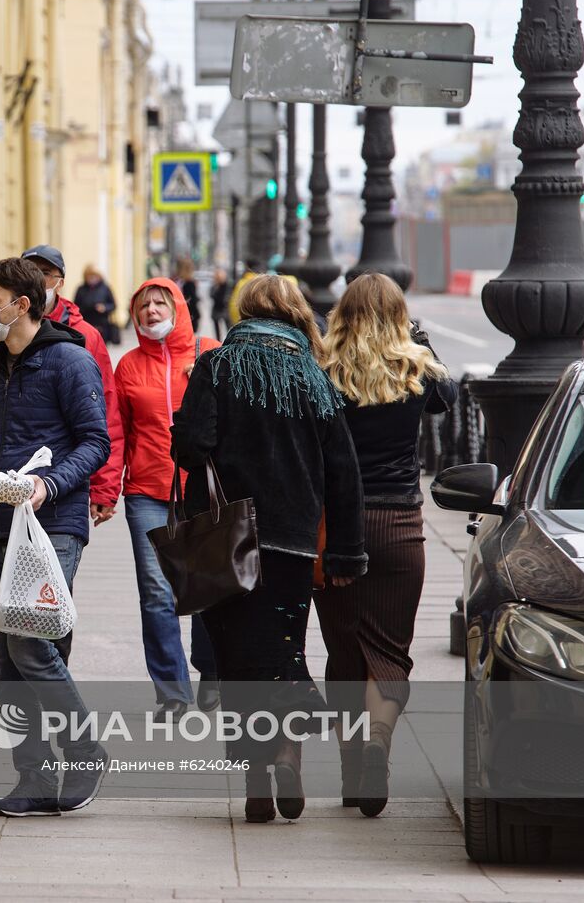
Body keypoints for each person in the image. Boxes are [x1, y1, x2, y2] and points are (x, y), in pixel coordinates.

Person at [171, 274, 365, 824]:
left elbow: (192, 447)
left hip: (227, 537)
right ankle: (289, 759)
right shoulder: (312, 375)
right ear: (296, 312)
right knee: (284, 650)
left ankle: (256, 780)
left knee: (236, 659)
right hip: (294, 541)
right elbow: (343, 472)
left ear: (245, 309)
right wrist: (346, 552)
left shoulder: (217, 365)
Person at [0, 257, 112, 818]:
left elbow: (94, 441)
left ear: (21, 305)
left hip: (51, 526)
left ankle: (82, 748)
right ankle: (31, 777)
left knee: (31, 643)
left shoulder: (69, 361)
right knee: (6, 659)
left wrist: (47, 486)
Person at [316, 273, 456, 818]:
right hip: (400, 526)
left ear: (342, 312)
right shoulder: (415, 366)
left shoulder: (325, 369)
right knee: (390, 651)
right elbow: (445, 401)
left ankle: (354, 775)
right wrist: (416, 335)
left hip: (339, 530)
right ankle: (379, 743)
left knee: (345, 651)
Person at [0, 244, 123, 527]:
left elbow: (103, 420)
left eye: (45, 273)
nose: (39, 278)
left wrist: (104, 486)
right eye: (32, 270)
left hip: (55, 508)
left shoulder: (82, 342)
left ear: (60, 282)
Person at [114, 278, 221, 715]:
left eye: (160, 302)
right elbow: (116, 431)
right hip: (147, 492)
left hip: (201, 490)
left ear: (177, 308)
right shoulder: (129, 366)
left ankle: (213, 673)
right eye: (143, 305)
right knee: (157, 594)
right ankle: (173, 694)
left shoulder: (209, 353)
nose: (151, 310)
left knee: (207, 588)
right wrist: (106, 488)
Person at [74, 266, 119, 343]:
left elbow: (113, 305)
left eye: (94, 276)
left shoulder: (105, 288)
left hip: (102, 325)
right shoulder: (81, 289)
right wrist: (86, 307)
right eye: (90, 276)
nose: (92, 278)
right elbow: (75, 307)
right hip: (86, 323)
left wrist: (104, 308)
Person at [174, 259, 200, 331]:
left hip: (183, 314)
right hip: (185, 314)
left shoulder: (183, 282)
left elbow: (192, 300)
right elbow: (193, 300)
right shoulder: (186, 282)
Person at [208, 267, 231, 340]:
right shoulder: (215, 286)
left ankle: (229, 340)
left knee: (228, 327)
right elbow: (211, 295)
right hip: (216, 309)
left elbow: (227, 297)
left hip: (224, 309)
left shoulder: (226, 285)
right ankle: (218, 341)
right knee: (217, 329)